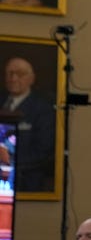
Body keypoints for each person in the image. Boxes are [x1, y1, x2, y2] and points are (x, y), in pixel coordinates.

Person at [4, 56, 55, 192]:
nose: (13, 78)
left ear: (31, 79)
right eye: (10, 73)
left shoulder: (43, 109)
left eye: (20, 74)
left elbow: (43, 152)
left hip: (27, 184)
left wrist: (8, 162)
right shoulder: (2, 102)